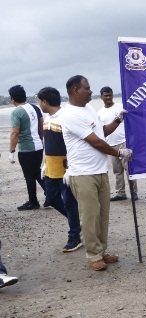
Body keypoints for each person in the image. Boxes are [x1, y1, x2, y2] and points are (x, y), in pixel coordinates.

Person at [62, 75, 133, 271]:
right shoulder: (70, 114)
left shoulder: (89, 109)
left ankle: (102, 250)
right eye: (87, 88)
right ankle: (93, 255)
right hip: (83, 173)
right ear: (76, 90)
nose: (90, 91)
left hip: (100, 170)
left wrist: (118, 120)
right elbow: (95, 142)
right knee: (90, 215)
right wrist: (119, 153)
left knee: (103, 214)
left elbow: (102, 132)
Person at [37, 87, 83, 252]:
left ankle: (74, 236)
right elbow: (47, 143)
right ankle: (77, 223)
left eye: (39, 101)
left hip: (65, 167)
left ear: (45, 101)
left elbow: (72, 145)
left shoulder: (65, 118)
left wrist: (70, 168)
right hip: (51, 166)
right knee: (52, 198)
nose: (39, 104)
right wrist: (45, 163)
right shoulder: (47, 118)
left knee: (69, 202)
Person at [8, 84, 46, 211]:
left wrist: (12, 151)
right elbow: (42, 126)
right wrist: (41, 140)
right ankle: (52, 194)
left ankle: (33, 201)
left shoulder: (17, 112)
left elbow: (15, 132)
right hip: (39, 146)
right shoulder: (35, 107)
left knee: (29, 175)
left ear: (13, 98)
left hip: (26, 148)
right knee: (36, 172)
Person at [97, 86, 138, 202]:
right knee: (117, 170)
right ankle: (120, 193)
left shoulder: (121, 107)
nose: (108, 97)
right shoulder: (99, 113)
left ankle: (133, 192)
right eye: (106, 95)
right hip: (111, 145)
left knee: (129, 169)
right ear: (101, 97)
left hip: (124, 141)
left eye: (110, 95)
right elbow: (100, 131)